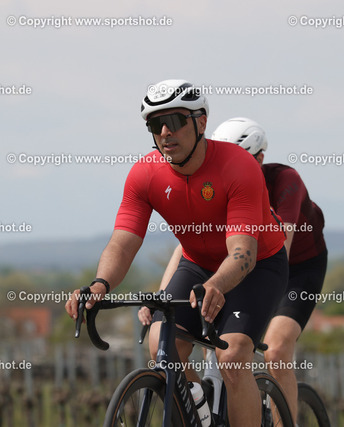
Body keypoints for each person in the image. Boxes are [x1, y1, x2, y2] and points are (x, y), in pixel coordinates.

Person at [66, 82, 288, 426]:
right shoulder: (145, 174)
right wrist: (100, 285)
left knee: (232, 356)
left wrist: (217, 285)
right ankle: (201, 413)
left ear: (201, 122)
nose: (165, 132)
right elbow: (123, 242)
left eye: (174, 121)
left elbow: (242, 252)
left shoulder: (238, 166)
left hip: (256, 267)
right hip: (197, 265)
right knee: (161, 347)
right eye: (156, 124)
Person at [139, 117, 327, 423]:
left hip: (293, 267)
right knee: (207, 342)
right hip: (236, 264)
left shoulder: (284, 181)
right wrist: (162, 296)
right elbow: (186, 248)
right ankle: (203, 412)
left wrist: (249, 315)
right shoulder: (215, 180)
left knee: (276, 349)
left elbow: (283, 246)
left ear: (260, 159)